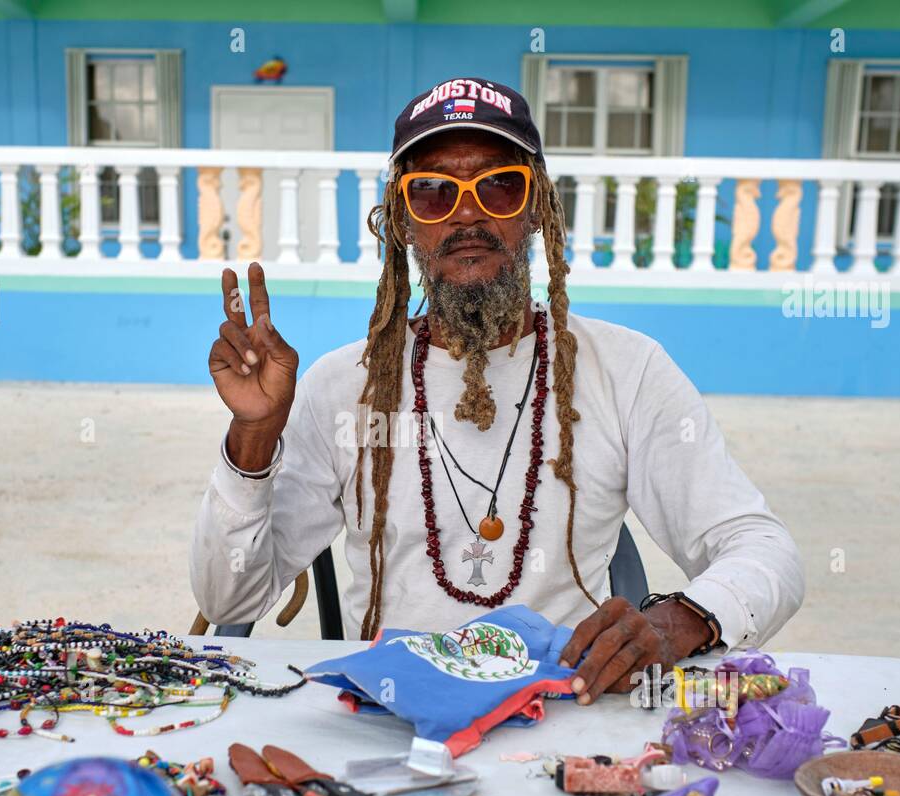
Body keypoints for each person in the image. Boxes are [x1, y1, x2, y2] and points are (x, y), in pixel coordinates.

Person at [191, 77, 804, 702]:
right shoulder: (340, 387)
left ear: (537, 206)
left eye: (500, 184)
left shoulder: (628, 369)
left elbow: (763, 548)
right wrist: (254, 436)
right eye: (431, 191)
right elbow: (227, 598)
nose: (467, 212)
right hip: (390, 723)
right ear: (402, 221)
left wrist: (682, 620)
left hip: (570, 720)